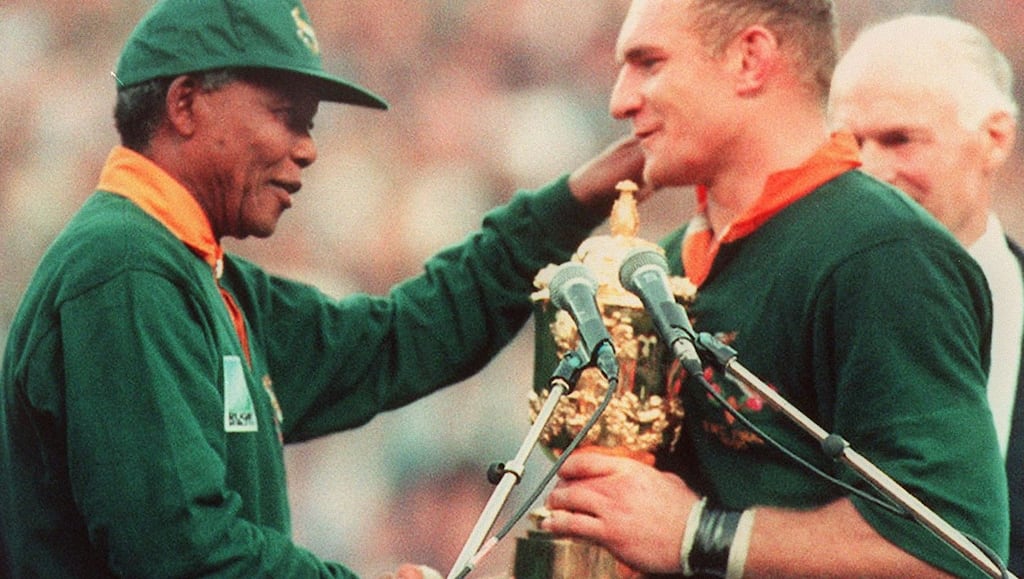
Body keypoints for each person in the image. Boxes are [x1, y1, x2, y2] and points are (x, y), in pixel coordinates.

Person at [0, 1, 648, 577]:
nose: (307, 149)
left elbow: (395, 340)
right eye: (288, 117)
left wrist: (574, 201)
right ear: (185, 104)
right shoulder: (127, 269)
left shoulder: (197, 273)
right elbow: (181, 550)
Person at [539, 1, 1008, 577]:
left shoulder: (884, 254)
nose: (620, 101)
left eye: (649, 63)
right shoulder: (659, 266)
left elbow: (956, 550)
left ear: (750, 59)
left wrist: (699, 534)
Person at [828, 13, 1024, 574]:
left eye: (899, 140)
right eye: (849, 143)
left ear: (994, 139)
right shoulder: (803, 304)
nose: (867, 170)